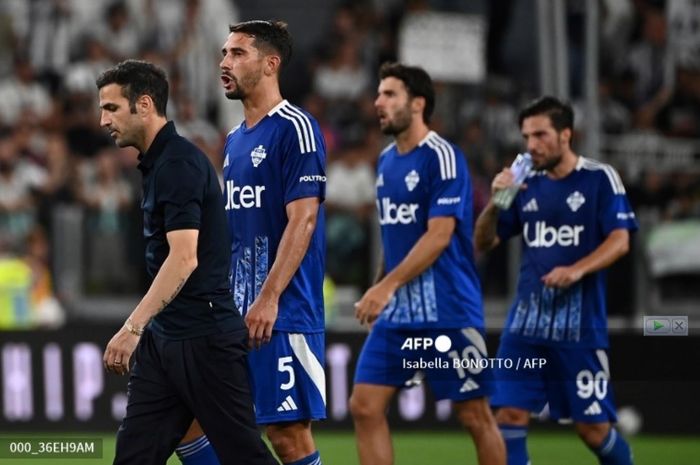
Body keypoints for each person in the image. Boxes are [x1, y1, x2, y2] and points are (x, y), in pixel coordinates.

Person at [97, 59, 276, 465]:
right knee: (134, 456)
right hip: (167, 339)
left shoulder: (177, 164)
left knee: (245, 456)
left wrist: (132, 328)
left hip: (204, 337)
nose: (102, 119)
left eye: (111, 108)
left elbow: (183, 258)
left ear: (144, 105)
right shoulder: (159, 163)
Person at [351, 62, 506, 465]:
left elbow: (438, 236)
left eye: (389, 95)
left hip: (447, 311)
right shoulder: (385, 162)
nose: (377, 102)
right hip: (399, 314)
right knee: (364, 406)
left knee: (474, 415)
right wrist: (378, 281)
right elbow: (394, 235)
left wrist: (386, 286)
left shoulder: (444, 157)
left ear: (417, 103)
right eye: (378, 93)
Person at [474, 96, 637, 465]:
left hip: (577, 330)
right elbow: (483, 241)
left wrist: (577, 269)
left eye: (541, 135)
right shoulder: (524, 182)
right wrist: (496, 202)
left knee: (592, 430)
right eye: (527, 136)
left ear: (566, 135)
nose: (532, 145)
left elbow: (620, 240)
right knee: (508, 418)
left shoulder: (599, 179)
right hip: (524, 327)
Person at [218, 20, 327, 465]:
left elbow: (302, 219)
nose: (224, 63)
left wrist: (268, 297)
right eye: (224, 54)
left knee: (287, 436)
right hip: (235, 313)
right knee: (211, 422)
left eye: (237, 54)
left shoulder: (295, 128)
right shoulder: (232, 141)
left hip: (283, 313)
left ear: (270, 63)